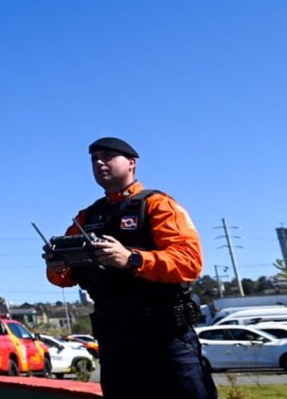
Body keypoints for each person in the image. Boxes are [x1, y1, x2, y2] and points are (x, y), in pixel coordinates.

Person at [43, 137, 217, 399]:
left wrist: (132, 259)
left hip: (164, 335)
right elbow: (63, 279)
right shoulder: (87, 217)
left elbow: (189, 263)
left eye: (108, 156)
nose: (100, 163)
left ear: (132, 163)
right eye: (94, 159)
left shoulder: (157, 205)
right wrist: (58, 265)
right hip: (115, 339)